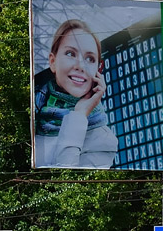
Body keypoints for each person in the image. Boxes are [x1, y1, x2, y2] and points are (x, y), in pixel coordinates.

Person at [33, 18, 119, 169]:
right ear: (52, 61)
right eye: (70, 54)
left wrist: (78, 115)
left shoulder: (103, 140)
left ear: (98, 70)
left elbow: (66, 173)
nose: (80, 66)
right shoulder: (34, 112)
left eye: (89, 59)